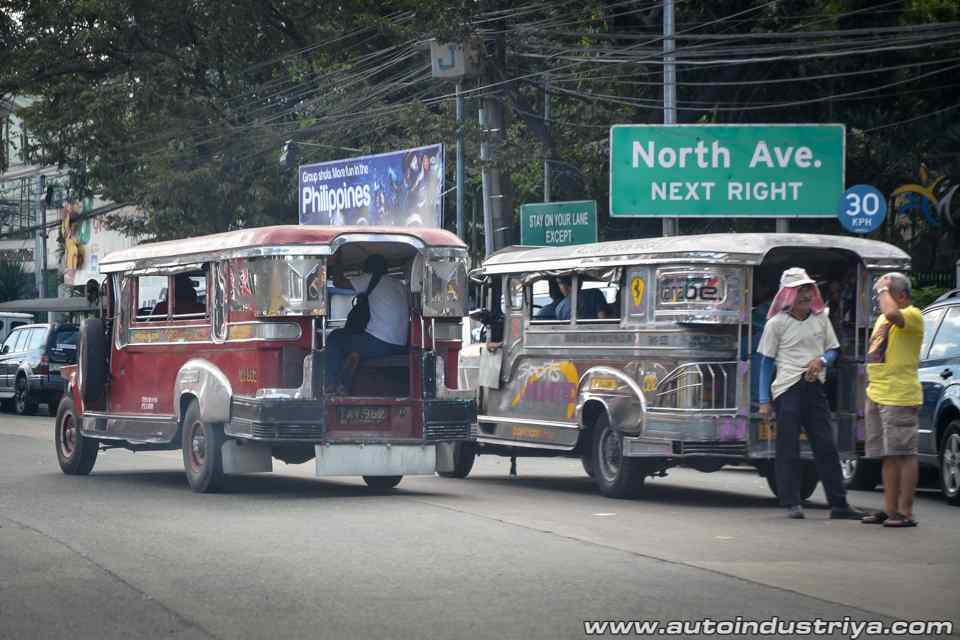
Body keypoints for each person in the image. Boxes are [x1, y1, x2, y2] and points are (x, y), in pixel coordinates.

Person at [757, 267, 863, 520]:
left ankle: (839, 505)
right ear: (787, 294)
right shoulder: (776, 324)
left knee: (826, 445)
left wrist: (822, 361)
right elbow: (766, 363)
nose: (805, 295)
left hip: (815, 387)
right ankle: (791, 502)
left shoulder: (821, 319)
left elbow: (833, 350)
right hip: (787, 389)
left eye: (807, 289)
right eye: (799, 290)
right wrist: (764, 401)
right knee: (788, 447)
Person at [861, 272, 924, 528]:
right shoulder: (882, 319)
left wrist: (882, 289)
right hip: (878, 392)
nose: (881, 297)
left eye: (886, 292)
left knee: (904, 453)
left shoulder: (912, 314)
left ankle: (906, 511)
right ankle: (890, 509)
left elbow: (892, 315)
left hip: (900, 394)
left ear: (901, 295)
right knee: (888, 455)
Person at [325, 254, 409, 393]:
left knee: (335, 338)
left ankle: (330, 384)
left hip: (378, 343)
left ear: (368, 269)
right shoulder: (400, 285)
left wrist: (338, 258)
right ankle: (345, 380)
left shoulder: (370, 277)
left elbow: (338, 282)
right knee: (357, 345)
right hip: (400, 345)